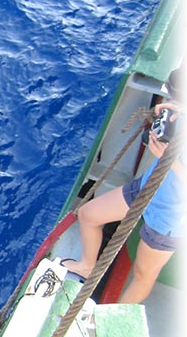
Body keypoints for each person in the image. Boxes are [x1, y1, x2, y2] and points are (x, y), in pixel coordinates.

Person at [61, 86, 183, 304]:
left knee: (143, 275)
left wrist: (169, 159)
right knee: (89, 215)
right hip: (147, 188)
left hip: (170, 218)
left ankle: (109, 319)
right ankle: (87, 266)